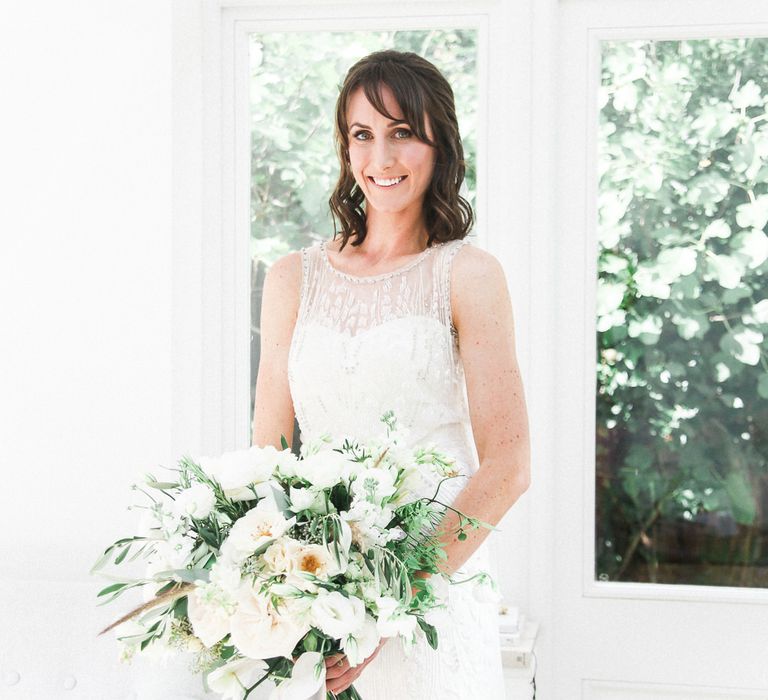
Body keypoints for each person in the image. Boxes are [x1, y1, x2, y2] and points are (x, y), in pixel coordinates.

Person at [252, 49, 530, 700]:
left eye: (402, 132)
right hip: (319, 593)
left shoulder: (468, 275)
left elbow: (509, 465)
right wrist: (284, 593)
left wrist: (388, 602)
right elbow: (267, 455)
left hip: (431, 595)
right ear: (345, 149)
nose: (381, 157)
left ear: (440, 143)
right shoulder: (292, 278)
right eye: (362, 134)